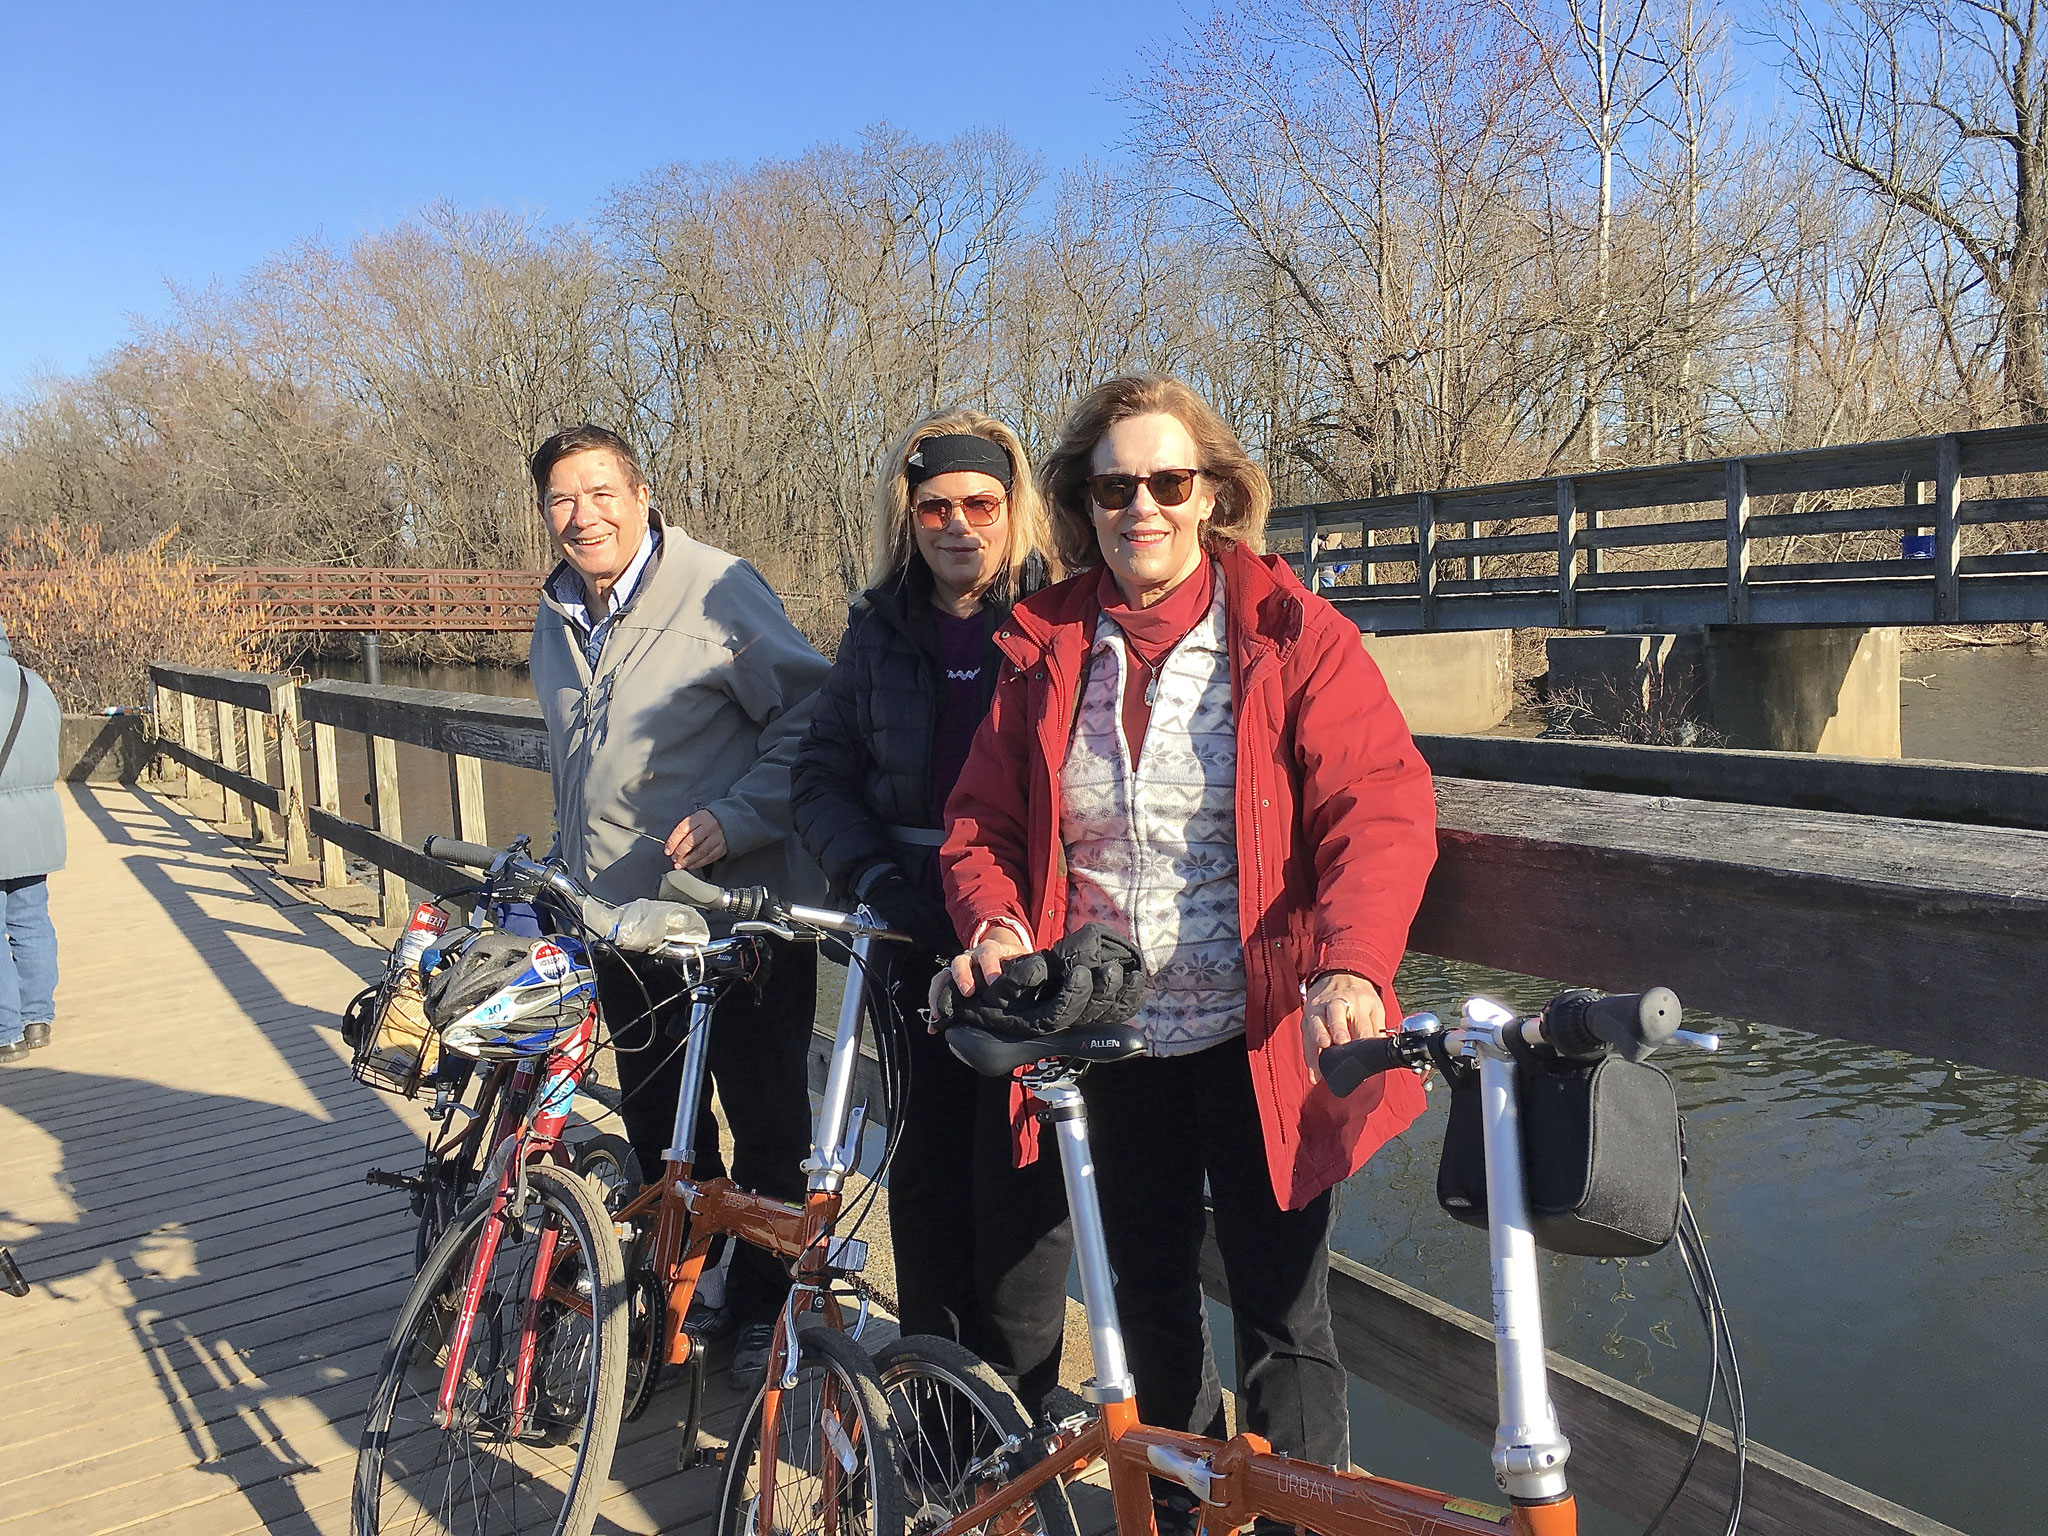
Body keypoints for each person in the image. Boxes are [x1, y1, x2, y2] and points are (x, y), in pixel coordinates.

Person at [936, 376, 1437, 1501]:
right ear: (1082, 502)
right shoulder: (1044, 645)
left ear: (1212, 493)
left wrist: (1351, 963)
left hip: (1262, 1036)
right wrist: (1000, 917)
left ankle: (1305, 1517)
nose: (1141, 508)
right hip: (1112, 1038)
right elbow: (980, 825)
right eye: (1115, 486)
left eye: (1168, 481)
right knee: (1147, 1290)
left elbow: (1382, 803)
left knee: (1283, 1317)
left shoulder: (1286, 631)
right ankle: (1176, 1500)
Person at [527, 424, 830, 1387]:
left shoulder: (716, 587)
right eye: (564, 500)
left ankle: (760, 1311)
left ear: (642, 494)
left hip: (733, 920)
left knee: (769, 1122)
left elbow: (813, 719)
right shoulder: (557, 612)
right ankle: (668, 1306)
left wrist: (736, 818)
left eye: (603, 492)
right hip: (622, 924)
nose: (586, 516)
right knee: (665, 1123)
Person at [791, 410, 1072, 1410]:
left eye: (980, 505)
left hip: (1024, 941)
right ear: (908, 519)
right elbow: (818, 776)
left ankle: (1017, 1419)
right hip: (907, 931)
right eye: (934, 508)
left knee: (1021, 1187)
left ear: (1013, 510)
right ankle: (933, 1412)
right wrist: (869, 883)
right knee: (921, 1179)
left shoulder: (1060, 622)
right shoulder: (878, 630)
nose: (958, 526)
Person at [0, 621, 63, 1065]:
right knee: (31, 919)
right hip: (37, 824)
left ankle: (5, 1033)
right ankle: (37, 1019)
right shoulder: (33, 682)